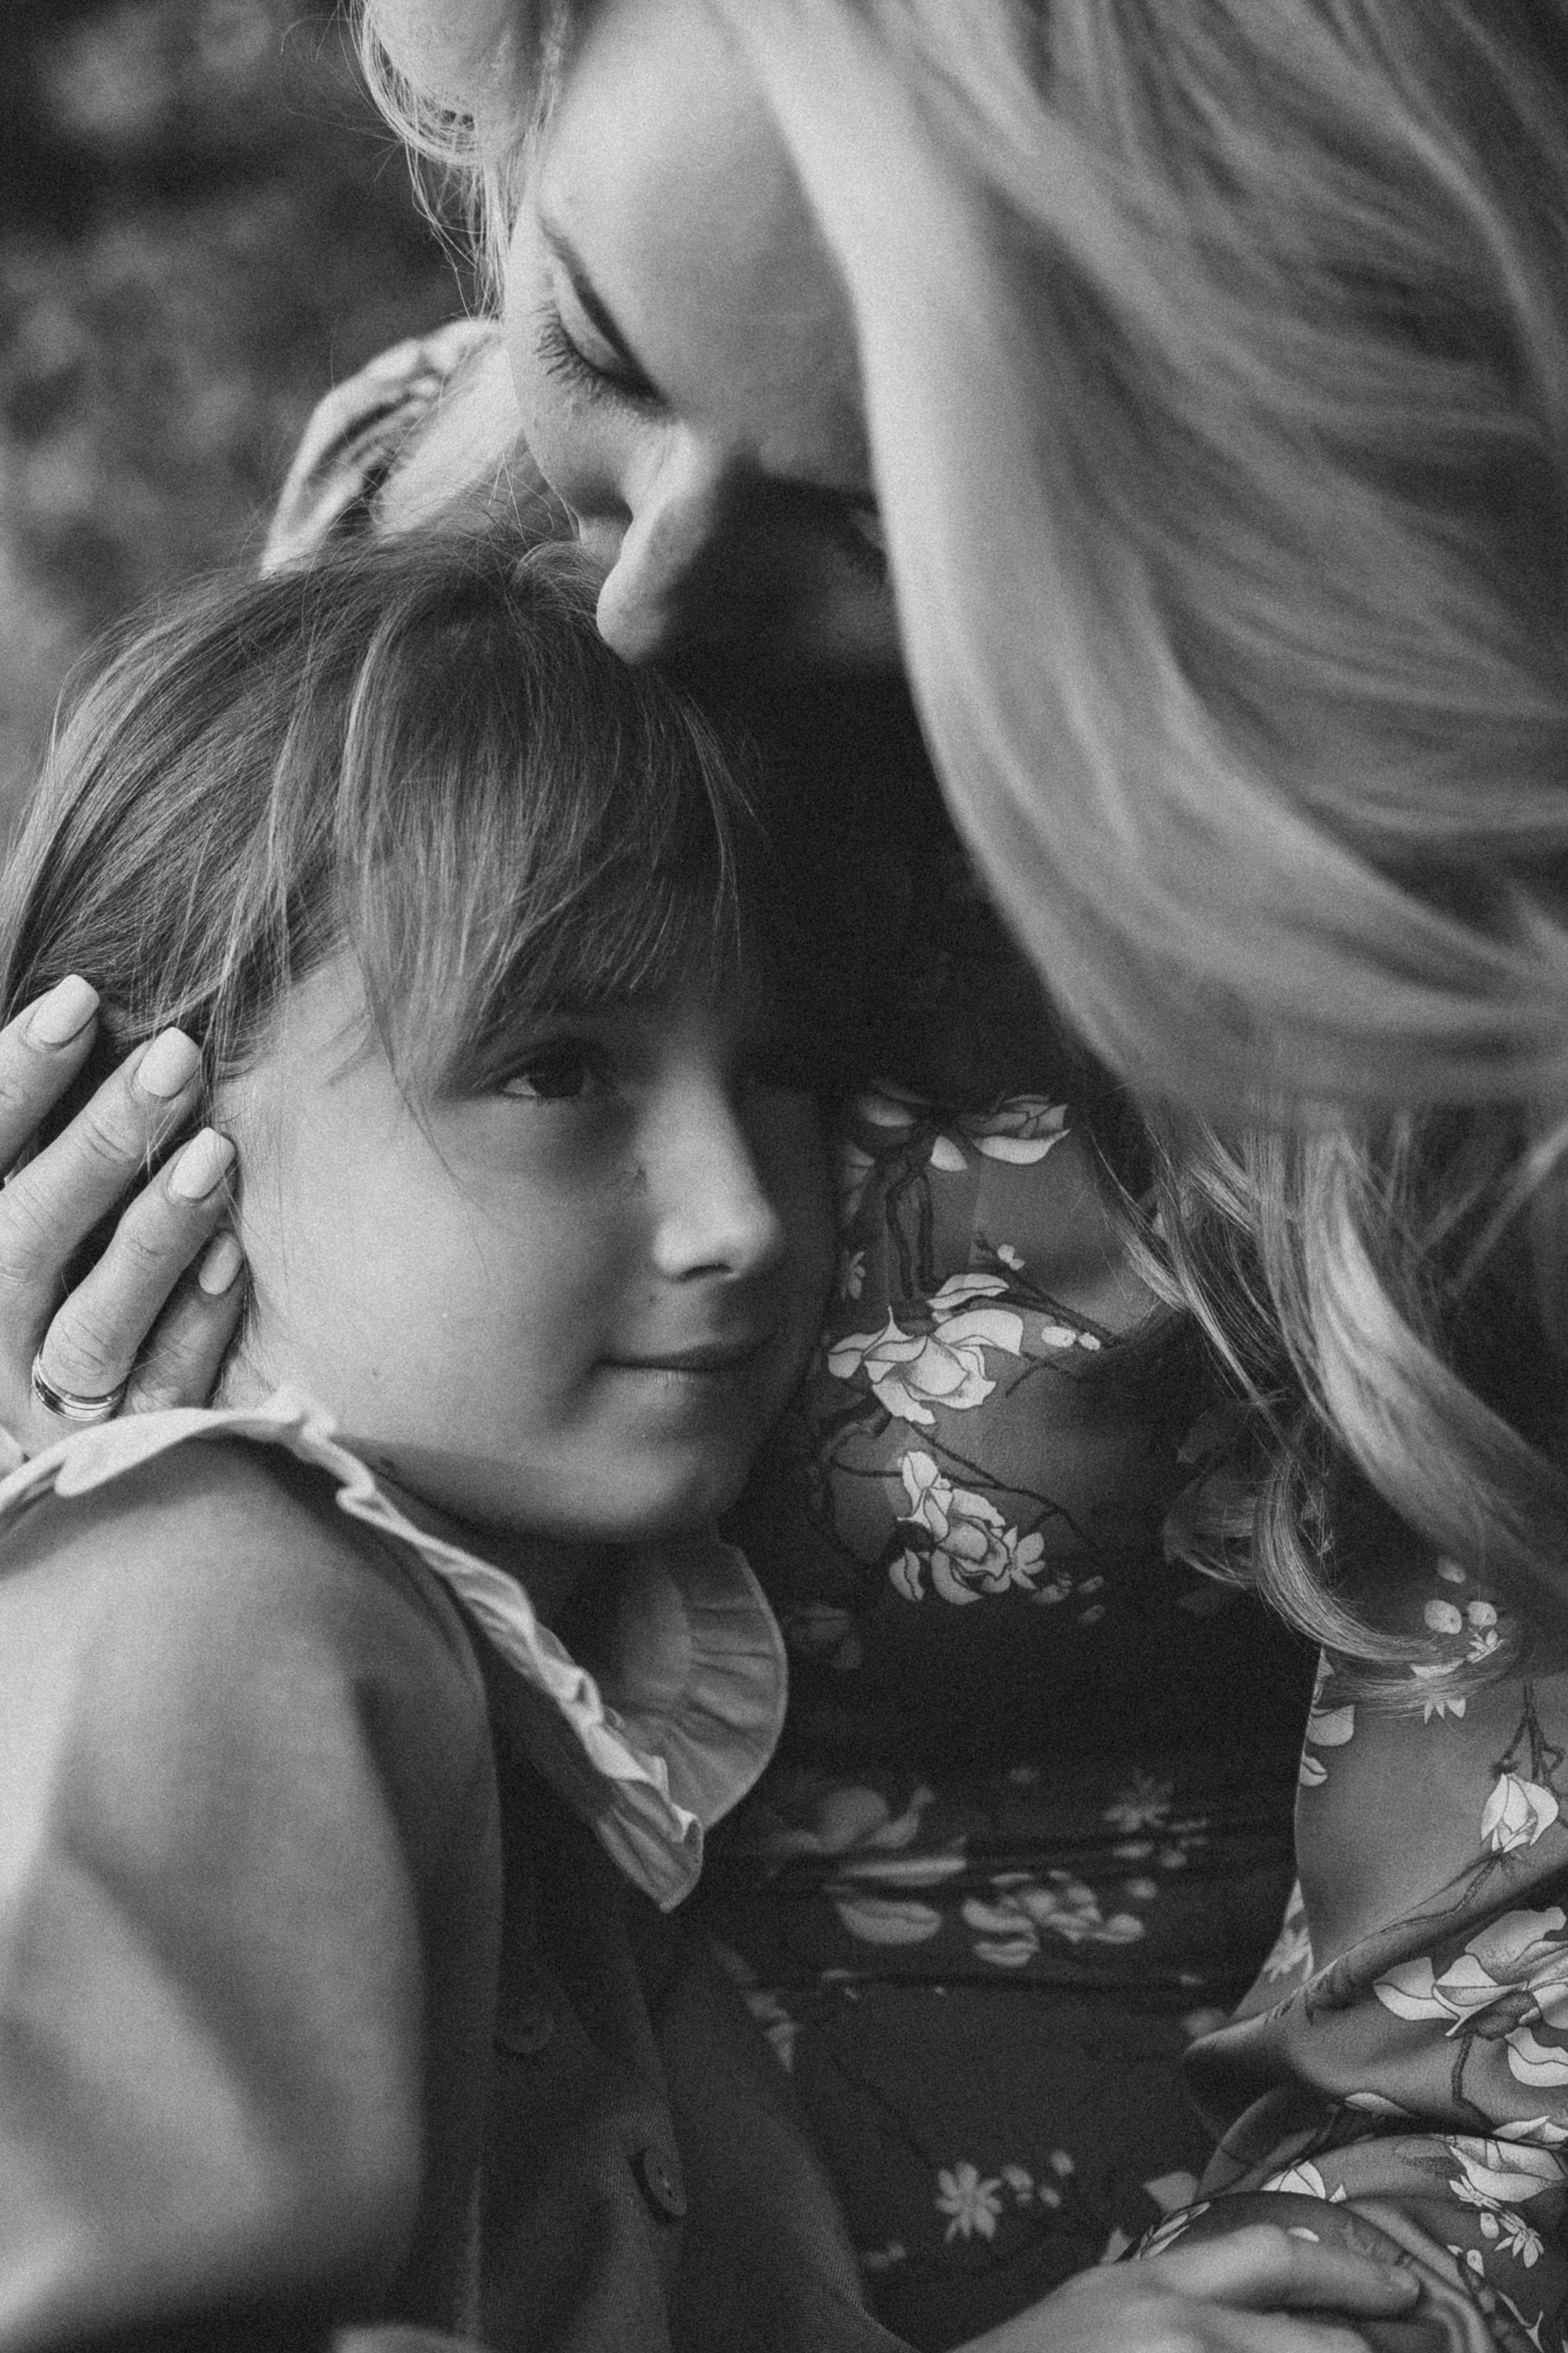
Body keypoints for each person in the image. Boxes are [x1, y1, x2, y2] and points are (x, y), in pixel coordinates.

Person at [0, 0, 1564, 2346]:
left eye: (873, 515)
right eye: (594, 349)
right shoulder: (409, 545)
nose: (643, 594)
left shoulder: (1420, 952)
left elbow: (1497, 2061)